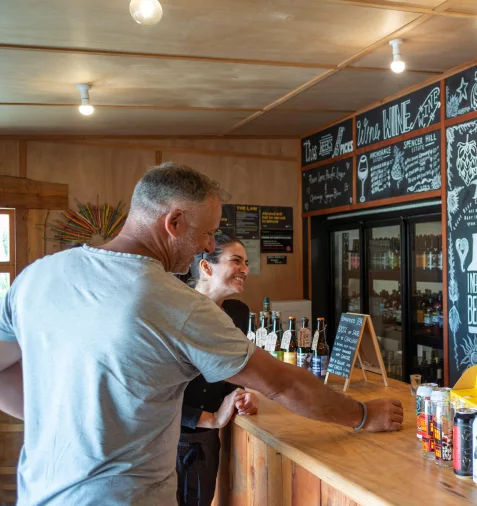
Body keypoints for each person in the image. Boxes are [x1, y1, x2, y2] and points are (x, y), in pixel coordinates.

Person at [0, 162, 403, 506]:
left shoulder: (38, 275)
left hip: (38, 492)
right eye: (207, 232)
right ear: (173, 222)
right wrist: (363, 414)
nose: (207, 245)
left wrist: (64, 417)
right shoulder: (173, 301)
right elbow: (281, 383)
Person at [177, 234, 259, 506]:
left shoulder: (237, 312)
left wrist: (240, 394)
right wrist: (210, 418)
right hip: (169, 440)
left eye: (246, 262)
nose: (245, 270)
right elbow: (149, 390)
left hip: (205, 442)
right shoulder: (175, 311)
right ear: (206, 267)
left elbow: (230, 369)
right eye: (236, 261)